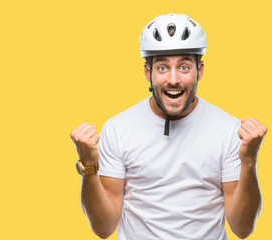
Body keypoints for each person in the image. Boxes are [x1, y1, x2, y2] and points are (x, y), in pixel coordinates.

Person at [70, 13, 267, 240]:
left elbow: (242, 229)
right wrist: (89, 166)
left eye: (184, 67)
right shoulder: (117, 128)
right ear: (148, 72)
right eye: (162, 68)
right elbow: (103, 228)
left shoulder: (229, 129)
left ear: (199, 71)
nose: (173, 80)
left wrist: (249, 161)